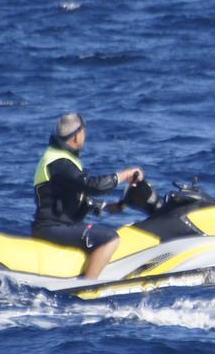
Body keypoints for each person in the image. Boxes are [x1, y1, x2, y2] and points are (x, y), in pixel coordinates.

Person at [31, 113, 143, 280]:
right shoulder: (59, 162)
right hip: (52, 228)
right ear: (76, 136)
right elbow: (92, 185)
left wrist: (105, 207)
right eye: (84, 131)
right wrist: (124, 176)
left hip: (56, 226)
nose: (85, 135)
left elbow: (70, 195)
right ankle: (87, 288)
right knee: (109, 238)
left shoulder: (59, 158)